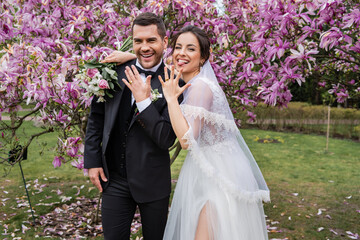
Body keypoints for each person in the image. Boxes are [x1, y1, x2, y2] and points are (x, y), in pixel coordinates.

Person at [110, 26, 270, 239]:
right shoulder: (189, 80)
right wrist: (132, 57)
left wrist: (171, 99)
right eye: (178, 47)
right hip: (208, 167)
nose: (181, 53)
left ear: (203, 57)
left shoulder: (200, 87)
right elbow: (160, 65)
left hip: (218, 174)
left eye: (190, 49)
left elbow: (187, 141)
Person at [84, 12, 181, 240]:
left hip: (153, 182)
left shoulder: (173, 82)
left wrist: (143, 101)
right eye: (138, 41)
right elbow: (96, 118)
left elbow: (167, 138)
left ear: (165, 42)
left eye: (151, 40)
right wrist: (93, 161)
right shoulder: (113, 71)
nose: (144, 47)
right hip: (114, 179)